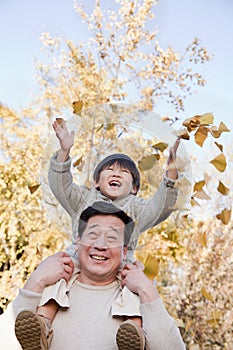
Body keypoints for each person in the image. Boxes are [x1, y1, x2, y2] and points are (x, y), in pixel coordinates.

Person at [32, 118, 180, 349]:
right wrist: (64, 151)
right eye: (109, 170)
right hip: (77, 257)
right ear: (96, 183)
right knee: (58, 279)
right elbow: (60, 185)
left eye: (124, 173)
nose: (116, 174)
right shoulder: (83, 199)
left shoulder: (137, 208)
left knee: (132, 288)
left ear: (133, 187)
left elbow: (160, 208)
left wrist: (170, 177)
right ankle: (40, 325)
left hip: (121, 264)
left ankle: (133, 333)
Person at [13, 202, 185, 349]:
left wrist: (147, 290)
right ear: (78, 242)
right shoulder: (55, 280)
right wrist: (37, 278)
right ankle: (44, 327)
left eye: (111, 237)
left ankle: (137, 333)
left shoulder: (134, 292)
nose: (101, 245)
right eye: (93, 234)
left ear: (124, 251)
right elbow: (6, 342)